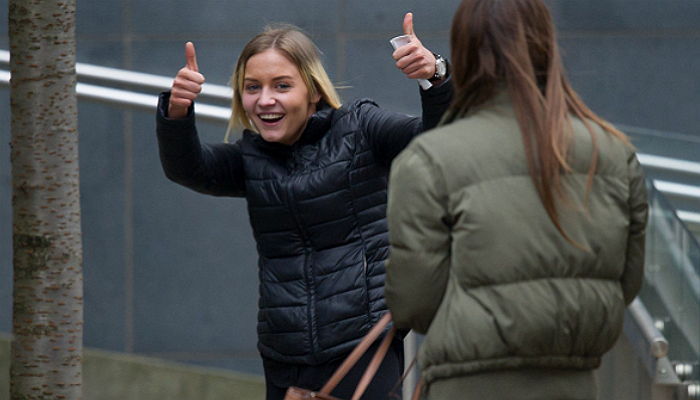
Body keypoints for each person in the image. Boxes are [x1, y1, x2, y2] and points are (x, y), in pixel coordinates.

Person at [155, 13, 452, 400]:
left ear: (313, 90)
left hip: (363, 346)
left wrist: (436, 77)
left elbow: (437, 140)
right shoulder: (251, 156)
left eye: (282, 85)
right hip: (285, 355)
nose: (265, 100)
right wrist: (177, 111)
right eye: (252, 87)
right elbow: (188, 168)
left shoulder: (359, 127)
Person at [384, 0, 648, 399]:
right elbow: (625, 284)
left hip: (466, 384)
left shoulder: (430, 160)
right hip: (577, 382)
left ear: (466, 51)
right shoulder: (612, 153)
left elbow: (414, 303)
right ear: (547, 47)